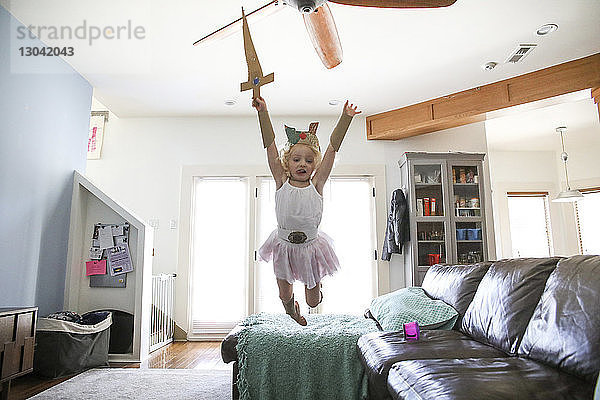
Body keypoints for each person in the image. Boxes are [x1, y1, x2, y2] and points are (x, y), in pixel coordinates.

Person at [252, 95, 361, 325]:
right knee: (284, 294)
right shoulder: (281, 181)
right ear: (286, 162)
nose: (303, 164)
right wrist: (263, 112)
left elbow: (332, 150)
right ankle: (293, 312)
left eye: (309, 161)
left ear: (315, 165)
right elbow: (270, 147)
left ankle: (317, 291)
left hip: (310, 247)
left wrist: (346, 118)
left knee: (313, 302)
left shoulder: (317, 184)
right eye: (297, 159)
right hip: (284, 246)